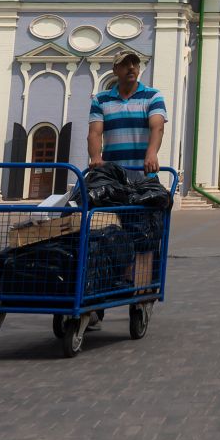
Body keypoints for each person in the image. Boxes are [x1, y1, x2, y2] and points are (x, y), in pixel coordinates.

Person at [88, 51, 168, 327]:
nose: (132, 68)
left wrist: (152, 153)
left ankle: (141, 295)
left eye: (135, 63)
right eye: (125, 64)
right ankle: (97, 293)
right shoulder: (101, 99)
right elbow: (95, 132)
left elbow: (157, 127)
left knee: (144, 238)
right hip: (113, 180)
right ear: (115, 69)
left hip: (143, 179)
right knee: (102, 237)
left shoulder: (152, 96)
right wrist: (96, 159)